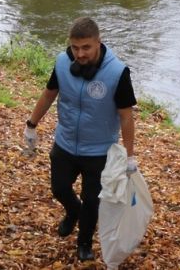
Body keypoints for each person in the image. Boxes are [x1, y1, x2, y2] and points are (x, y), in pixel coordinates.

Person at [24, 17, 137, 262]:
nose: (80, 54)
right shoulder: (63, 63)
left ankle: (84, 242)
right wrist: (31, 125)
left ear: (98, 42)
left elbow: (127, 118)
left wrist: (130, 156)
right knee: (59, 188)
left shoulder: (117, 72)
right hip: (65, 143)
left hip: (99, 151)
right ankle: (72, 212)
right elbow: (48, 95)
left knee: (92, 200)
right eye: (75, 47)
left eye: (86, 47)